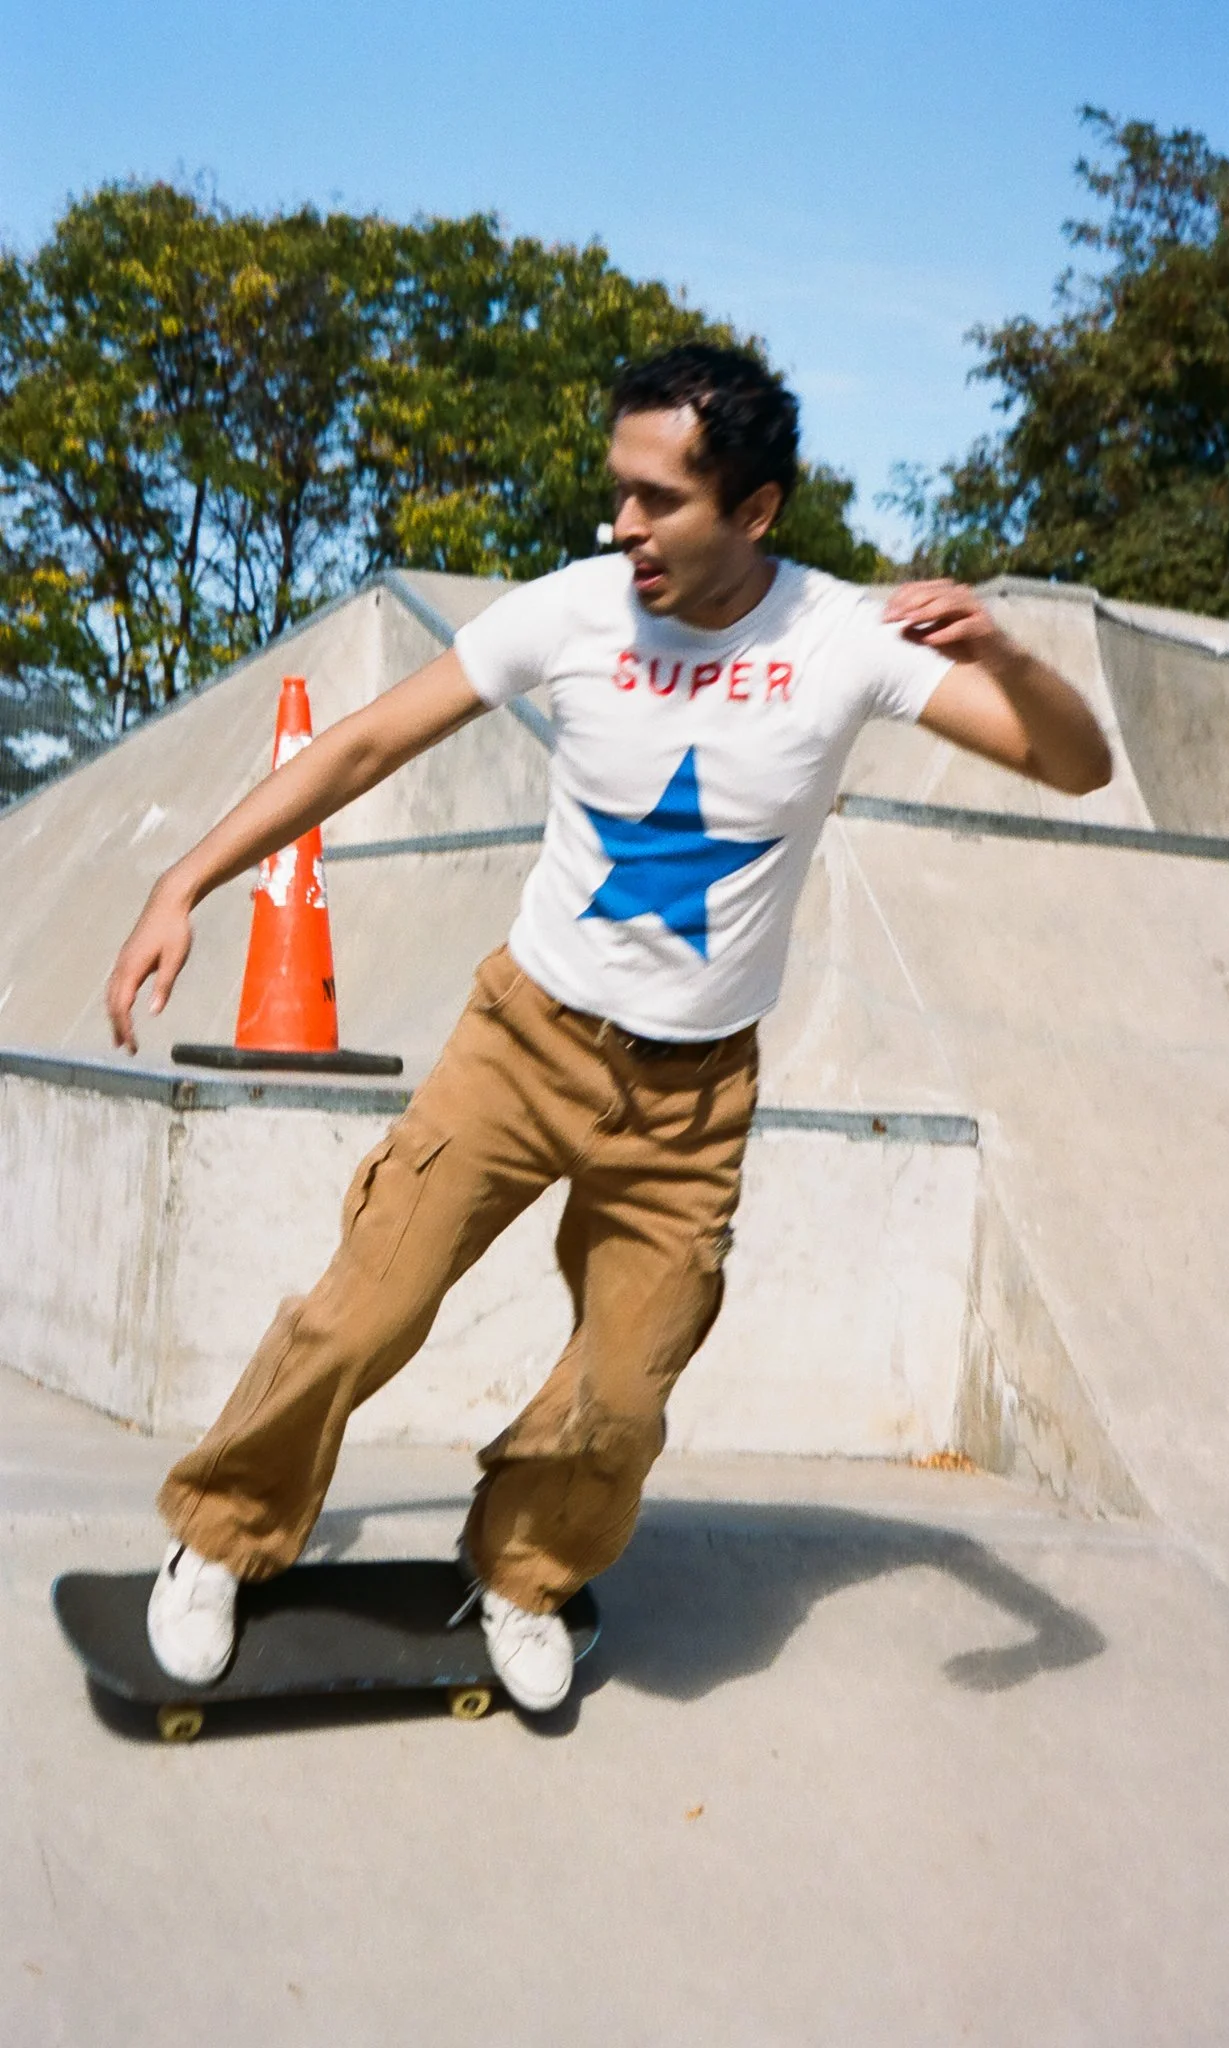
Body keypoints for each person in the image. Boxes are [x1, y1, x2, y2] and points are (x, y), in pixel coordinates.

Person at [106, 345, 1111, 1713]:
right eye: (615, 493)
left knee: (623, 1393)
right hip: (522, 1044)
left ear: (752, 512)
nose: (621, 527)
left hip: (694, 1097)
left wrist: (1006, 653)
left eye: (656, 501)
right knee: (363, 1311)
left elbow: (1072, 764)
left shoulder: (842, 638)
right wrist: (183, 885)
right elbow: (356, 748)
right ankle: (221, 1533)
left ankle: (524, 1573)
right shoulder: (573, 612)